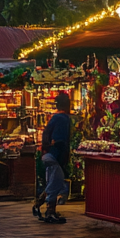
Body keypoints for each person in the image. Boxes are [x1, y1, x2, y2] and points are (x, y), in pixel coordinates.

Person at [37, 93, 72, 224]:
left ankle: (41, 205)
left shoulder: (55, 117)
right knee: (55, 183)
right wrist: (62, 157)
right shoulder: (63, 119)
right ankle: (49, 211)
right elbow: (59, 140)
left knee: (52, 182)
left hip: (48, 155)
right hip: (55, 156)